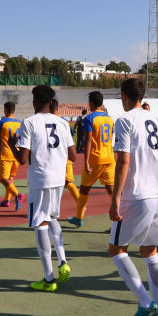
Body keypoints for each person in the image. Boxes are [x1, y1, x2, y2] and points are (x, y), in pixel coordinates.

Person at [109, 78, 158, 316]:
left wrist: (115, 198)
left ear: (123, 95)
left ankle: (146, 303)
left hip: (137, 196)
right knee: (150, 251)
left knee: (116, 249)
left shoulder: (124, 121)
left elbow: (123, 161)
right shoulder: (154, 118)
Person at [16, 85, 76, 292]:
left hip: (40, 179)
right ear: (51, 102)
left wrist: (11, 145)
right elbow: (74, 155)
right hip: (59, 179)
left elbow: (23, 159)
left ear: (34, 102)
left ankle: (49, 279)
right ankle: (63, 260)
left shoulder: (29, 122)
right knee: (52, 218)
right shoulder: (62, 122)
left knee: (40, 224)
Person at [67, 91, 114, 228]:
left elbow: (88, 140)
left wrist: (86, 161)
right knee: (112, 191)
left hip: (95, 159)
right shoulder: (109, 118)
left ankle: (79, 218)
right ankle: (119, 221)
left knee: (84, 190)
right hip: (109, 159)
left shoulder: (89, 118)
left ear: (91, 103)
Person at [49, 99, 80, 209]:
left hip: (55, 157)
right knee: (65, 183)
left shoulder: (46, 121)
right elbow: (70, 138)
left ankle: (81, 204)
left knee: (62, 183)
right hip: (64, 155)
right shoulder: (64, 122)